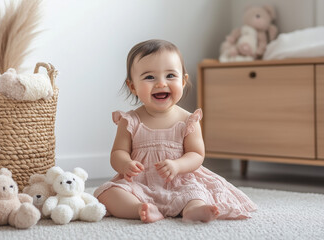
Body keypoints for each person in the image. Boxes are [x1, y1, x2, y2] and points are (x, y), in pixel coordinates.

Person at [94, 39, 257, 223]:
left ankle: (193, 209)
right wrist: (125, 164)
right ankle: (140, 208)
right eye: (149, 77)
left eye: (170, 75)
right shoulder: (130, 121)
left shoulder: (188, 120)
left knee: (196, 192)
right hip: (140, 184)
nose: (161, 83)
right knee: (108, 193)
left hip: (180, 182)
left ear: (184, 81)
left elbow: (196, 154)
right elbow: (118, 152)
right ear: (133, 87)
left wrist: (177, 166)